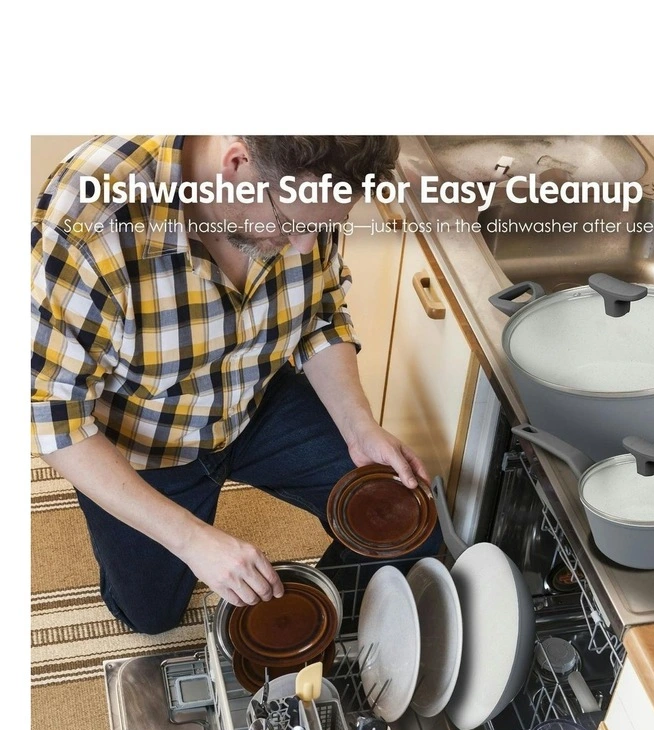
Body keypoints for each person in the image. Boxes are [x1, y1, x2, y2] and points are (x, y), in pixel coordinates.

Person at [31, 135, 440, 635]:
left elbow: (322, 314)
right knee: (150, 616)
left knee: (409, 524)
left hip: (256, 399)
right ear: (236, 163)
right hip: (146, 440)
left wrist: (360, 428)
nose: (305, 245)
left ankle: (311, 624)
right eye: (290, 225)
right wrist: (193, 540)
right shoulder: (92, 216)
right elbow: (50, 415)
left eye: (324, 228)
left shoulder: (306, 187)